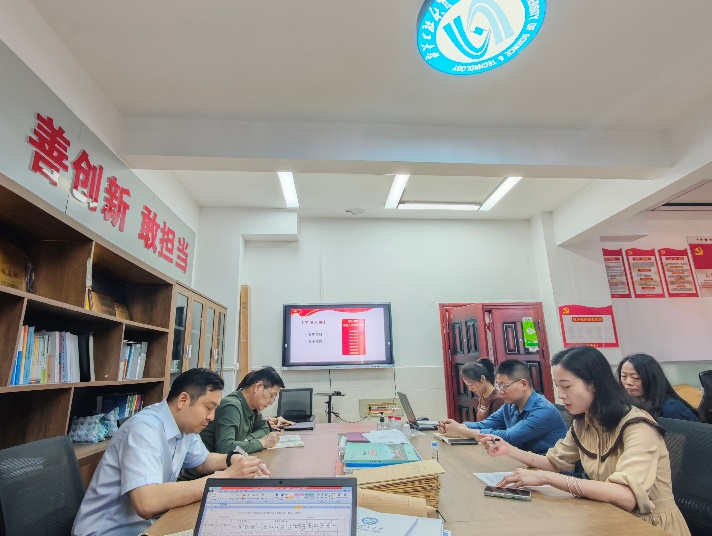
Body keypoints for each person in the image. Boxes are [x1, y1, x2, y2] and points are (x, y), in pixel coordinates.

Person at [482, 346, 690, 536]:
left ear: (594, 384)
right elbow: (554, 461)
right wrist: (508, 449)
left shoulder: (637, 425)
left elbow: (626, 496)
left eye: (566, 386)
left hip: (649, 526)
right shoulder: (585, 422)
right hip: (607, 516)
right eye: (557, 386)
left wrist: (548, 478)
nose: (560, 395)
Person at [72, 368, 266, 536]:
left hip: (146, 526)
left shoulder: (185, 426)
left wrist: (234, 460)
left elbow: (203, 461)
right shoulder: (144, 429)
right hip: (106, 531)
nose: (212, 417)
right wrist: (222, 478)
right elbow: (147, 502)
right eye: (209, 407)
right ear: (183, 400)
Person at [439, 359, 567, 454]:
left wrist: (462, 431)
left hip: (552, 472)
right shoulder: (509, 406)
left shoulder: (543, 410)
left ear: (523, 384)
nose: (500, 391)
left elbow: (509, 437)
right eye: (498, 386)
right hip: (525, 465)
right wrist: (457, 426)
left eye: (504, 386)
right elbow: (486, 424)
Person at [200, 366, 286, 455]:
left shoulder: (252, 407)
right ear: (258, 386)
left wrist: (247, 440)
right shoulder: (232, 406)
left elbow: (265, 427)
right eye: (272, 396)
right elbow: (225, 447)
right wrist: (261, 443)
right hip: (208, 461)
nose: (271, 402)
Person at [617, 353, 700, 422]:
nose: (628, 382)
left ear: (652, 379)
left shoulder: (671, 409)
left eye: (636, 378)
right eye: (624, 376)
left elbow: (692, 435)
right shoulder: (627, 403)